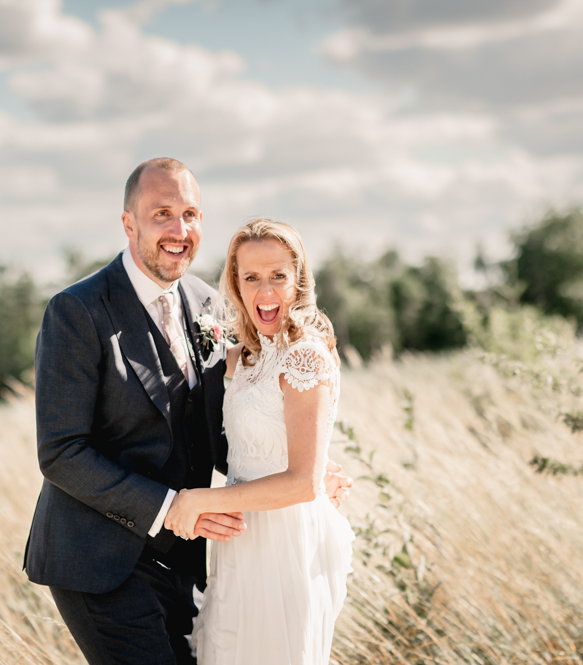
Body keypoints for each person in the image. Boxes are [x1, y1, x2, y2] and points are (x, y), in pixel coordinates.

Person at [23, 158, 350, 665]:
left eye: (191, 214)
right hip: (102, 560)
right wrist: (169, 506)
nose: (180, 231)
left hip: (190, 560)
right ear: (129, 222)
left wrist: (296, 468)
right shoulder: (77, 310)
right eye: (162, 214)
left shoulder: (208, 304)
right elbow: (61, 451)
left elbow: (214, 429)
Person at [167, 218, 355, 665]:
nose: (265, 293)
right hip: (241, 542)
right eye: (251, 278)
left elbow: (302, 484)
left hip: (286, 544)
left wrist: (198, 502)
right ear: (235, 283)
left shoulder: (304, 354)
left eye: (278, 277)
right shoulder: (249, 354)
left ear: (299, 280)